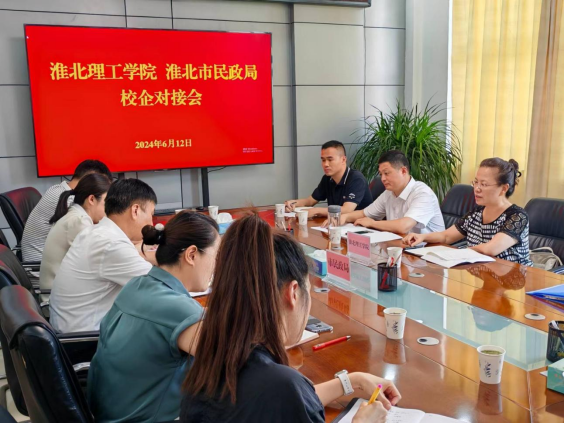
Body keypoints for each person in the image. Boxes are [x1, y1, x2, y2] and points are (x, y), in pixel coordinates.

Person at [181, 214, 401, 423]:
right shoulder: (281, 386)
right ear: (293, 292)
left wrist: (352, 381)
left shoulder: (211, 363)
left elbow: (288, 401)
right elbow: (288, 397)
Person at [88, 211, 220, 423]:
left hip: (107, 414)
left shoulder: (135, 285)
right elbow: (233, 363)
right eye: (216, 256)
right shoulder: (181, 311)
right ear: (192, 255)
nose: (217, 265)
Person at [49, 178, 157, 333]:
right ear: (135, 210)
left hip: (71, 329)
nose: (151, 223)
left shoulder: (97, 232)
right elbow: (158, 286)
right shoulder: (111, 243)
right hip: (86, 339)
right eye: (151, 214)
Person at [404, 158, 533, 266]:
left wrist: (457, 253)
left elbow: (490, 249)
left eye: (484, 184)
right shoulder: (476, 214)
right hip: (483, 275)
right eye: (476, 182)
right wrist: (422, 237)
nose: (477, 189)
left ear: (504, 188)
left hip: (514, 281)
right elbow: (446, 236)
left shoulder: (517, 216)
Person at [21, 159, 112, 262]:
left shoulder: (58, 189)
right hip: (38, 265)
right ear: (90, 180)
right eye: (101, 183)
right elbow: (96, 235)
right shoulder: (70, 201)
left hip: (45, 261)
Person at [334, 150, 444, 234]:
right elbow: (365, 213)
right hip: (402, 246)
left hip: (428, 250)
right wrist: (344, 217)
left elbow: (404, 226)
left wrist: (373, 223)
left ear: (403, 171)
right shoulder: (389, 193)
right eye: (381, 174)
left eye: (386, 173)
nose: (383, 179)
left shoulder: (422, 193)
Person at [39, 173, 112, 296]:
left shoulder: (76, 214)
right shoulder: (79, 221)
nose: (109, 210)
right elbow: (102, 259)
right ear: (91, 199)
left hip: (63, 292)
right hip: (57, 298)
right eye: (106, 203)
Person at [285, 141, 372, 218]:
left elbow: (347, 210)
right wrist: (293, 203)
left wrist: (316, 211)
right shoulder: (327, 178)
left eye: (330, 160)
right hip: (336, 223)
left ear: (343, 160)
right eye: (323, 160)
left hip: (359, 226)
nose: (325, 164)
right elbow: (310, 201)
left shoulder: (356, 179)